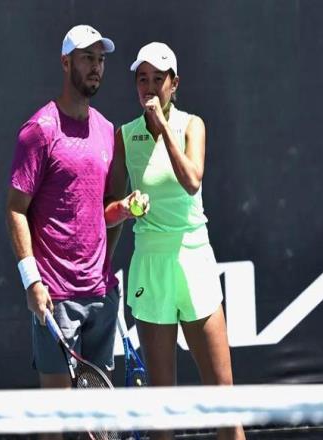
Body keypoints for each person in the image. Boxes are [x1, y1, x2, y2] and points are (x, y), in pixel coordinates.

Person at [105, 42, 246, 440]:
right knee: (160, 411)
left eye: (158, 79)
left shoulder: (192, 126)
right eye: (142, 79)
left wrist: (163, 128)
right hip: (151, 267)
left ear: (174, 84)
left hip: (194, 262)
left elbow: (192, 180)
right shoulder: (124, 137)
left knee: (225, 404)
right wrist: (124, 212)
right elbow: (110, 208)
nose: (149, 87)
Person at [6, 25, 135, 406]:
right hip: (55, 296)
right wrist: (32, 282)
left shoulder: (107, 130)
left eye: (101, 59)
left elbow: (104, 208)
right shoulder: (40, 131)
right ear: (66, 63)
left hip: (101, 293)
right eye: (86, 58)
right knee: (57, 419)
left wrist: (119, 221)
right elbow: (15, 209)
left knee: (98, 420)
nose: (96, 67)